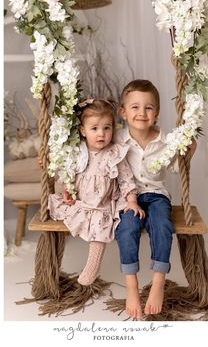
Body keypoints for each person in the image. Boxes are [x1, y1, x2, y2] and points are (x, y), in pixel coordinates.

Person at [114, 79, 197, 320]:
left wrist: (189, 151)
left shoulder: (167, 140)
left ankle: (158, 282)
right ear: (123, 111)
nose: (142, 113)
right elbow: (93, 153)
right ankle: (132, 287)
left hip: (157, 195)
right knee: (127, 228)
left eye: (148, 107)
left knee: (162, 225)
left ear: (157, 113)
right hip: (127, 198)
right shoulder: (116, 139)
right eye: (135, 107)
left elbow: (175, 167)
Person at [48, 98, 145, 286]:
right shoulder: (78, 152)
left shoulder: (114, 153)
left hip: (103, 204)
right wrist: (67, 190)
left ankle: (93, 265)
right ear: (83, 131)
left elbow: (126, 179)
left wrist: (132, 200)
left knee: (100, 227)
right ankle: (55, 265)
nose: (101, 134)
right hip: (82, 203)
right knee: (64, 216)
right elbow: (69, 174)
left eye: (107, 128)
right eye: (94, 129)